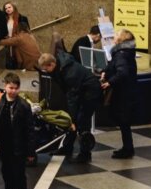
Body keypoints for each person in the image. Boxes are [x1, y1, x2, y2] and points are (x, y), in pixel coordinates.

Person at [39, 50, 100, 163]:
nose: (45, 72)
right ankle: (67, 147)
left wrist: (71, 118)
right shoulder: (59, 67)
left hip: (90, 93)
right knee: (72, 121)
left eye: (46, 69)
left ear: (52, 64)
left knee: (82, 122)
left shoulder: (69, 73)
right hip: (81, 91)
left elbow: (73, 96)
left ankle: (85, 153)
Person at [0, 72, 33, 189]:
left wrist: (31, 152)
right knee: (7, 173)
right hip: (3, 144)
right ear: (5, 86)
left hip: (18, 146)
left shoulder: (24, 106)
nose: (13, 91)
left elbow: (30, 130)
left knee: (19, 175)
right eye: (10, 87)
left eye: (16, 88)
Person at [100, 28, 138, 159]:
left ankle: (128, 149)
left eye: (116, 35)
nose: (114, 36)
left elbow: (122, 72)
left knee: (123, 121)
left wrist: (110, 82)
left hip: (123, 93)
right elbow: (112, 65)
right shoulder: (125, 52)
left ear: (121, 40)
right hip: (127, 91)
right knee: (124, 121)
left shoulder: (121, 54)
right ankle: (127, 147)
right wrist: (106, 70)